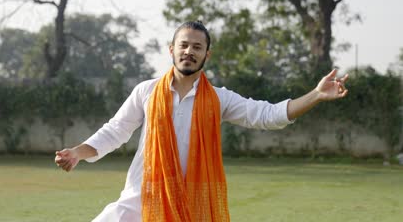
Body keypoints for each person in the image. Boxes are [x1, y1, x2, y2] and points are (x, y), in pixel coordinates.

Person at [55, 21, 348, 222]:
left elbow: (267, 115)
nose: (189, 52)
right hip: (143, 200)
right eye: (183, 45)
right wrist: (78, 152)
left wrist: (316, 95)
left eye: (197, 47)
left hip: (194, 207)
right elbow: (115, 131)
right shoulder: (146, 91)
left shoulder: (219, 99)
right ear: (171, 50)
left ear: (206, 54)